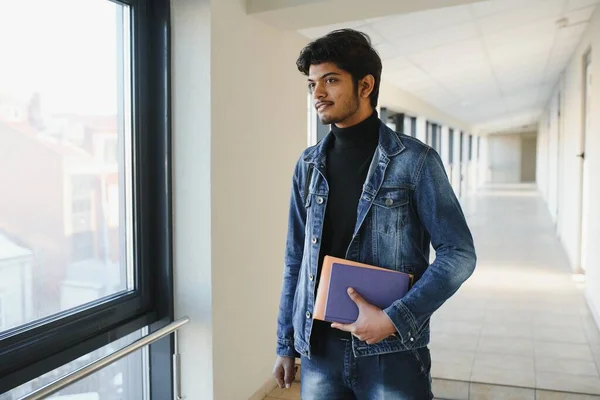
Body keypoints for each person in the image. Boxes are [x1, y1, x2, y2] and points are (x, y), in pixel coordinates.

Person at [273, 29, 477, 400]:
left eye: (330, 81)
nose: (317, 94)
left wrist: (393, 318)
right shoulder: (308, 165)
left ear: (365, 86)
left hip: (391, 352)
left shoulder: (416, 162)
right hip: (320, 352)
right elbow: (295, 260)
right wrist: (286, 342)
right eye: (312, 84)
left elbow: (459, 254)